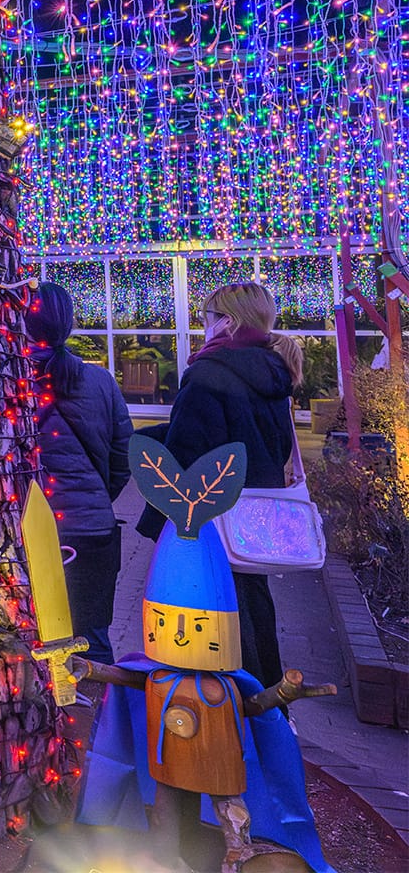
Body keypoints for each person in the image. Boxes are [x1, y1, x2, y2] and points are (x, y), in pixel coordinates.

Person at [138, 281, 303, 690]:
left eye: (206, 318)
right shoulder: (274, 372)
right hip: (254, 516)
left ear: (226, 322)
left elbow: (186, 454)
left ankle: (224, 709)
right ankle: (268, 705)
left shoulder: (208, 374)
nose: (202, 327)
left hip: (211, 519)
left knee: (212, 613)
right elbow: (270, 442)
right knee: (253, 604)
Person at [27, 282, 132, 665]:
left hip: (34, 530)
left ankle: (49, 716)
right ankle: (103, 718)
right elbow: (125, 456)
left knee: (36, 633)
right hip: (94, 529)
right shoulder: (100, 381)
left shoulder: (11, 381)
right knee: (93, 636)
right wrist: (99, 497)